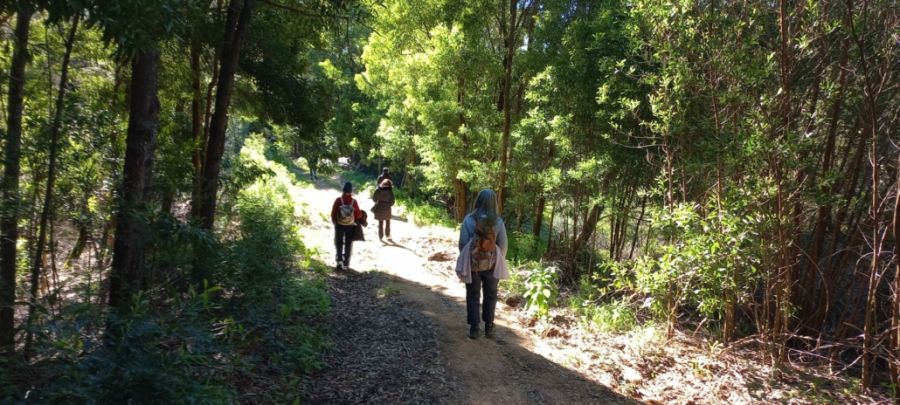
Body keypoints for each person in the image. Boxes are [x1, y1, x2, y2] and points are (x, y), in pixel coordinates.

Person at [455, 189, 508, 339]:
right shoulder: (498, 221)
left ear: (478, 200)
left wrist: (470, 257)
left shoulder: (469, 219)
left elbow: (462, 244)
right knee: (490, 294)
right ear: (494, 202)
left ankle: (474, 328)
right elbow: (503, 246)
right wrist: (493, 259)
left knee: (473, 294)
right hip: (492, 266)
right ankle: (489, 326)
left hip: (473, 265)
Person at [331, 182, 363, 270]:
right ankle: (346, 264)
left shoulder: (338, 200)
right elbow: (358, 215)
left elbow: (333, 213)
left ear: (343, 190)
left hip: (339, 225)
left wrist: (335, 222)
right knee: (348, 244)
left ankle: (339, 261)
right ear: (351, 191)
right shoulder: (354, 202)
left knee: (339, 243)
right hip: (350, 225)